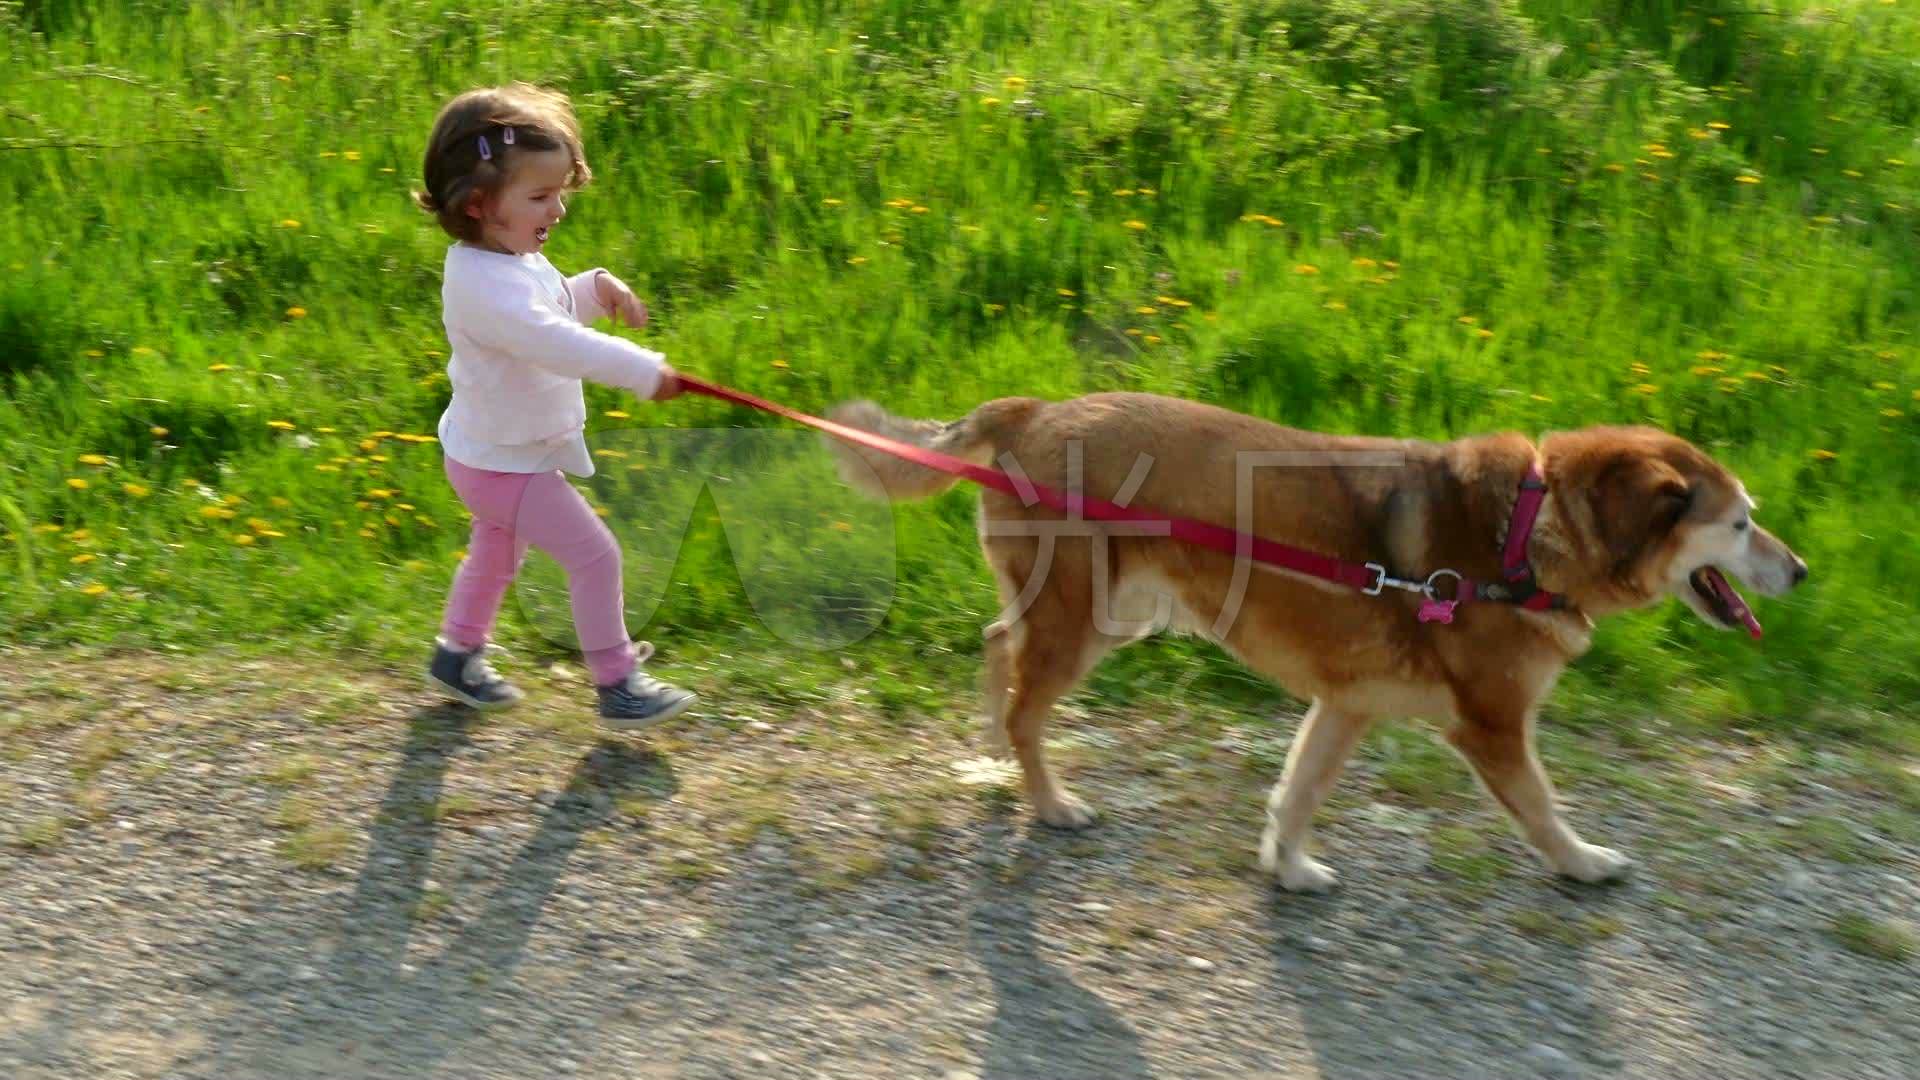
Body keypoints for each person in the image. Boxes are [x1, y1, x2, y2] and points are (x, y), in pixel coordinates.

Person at [411, 83, 695, 729]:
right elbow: (549, 340)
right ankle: (618, 682)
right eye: (541, 197)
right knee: (596, 556)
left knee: (496, 555)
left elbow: (548, 310)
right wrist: (644, 372)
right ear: (479, 205)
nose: (559, 209)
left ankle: (456, 654)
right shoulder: (483, 282)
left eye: (561, 192)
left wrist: (594, 287)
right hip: (503, 463)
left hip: (497, 452)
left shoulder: (508, 258)